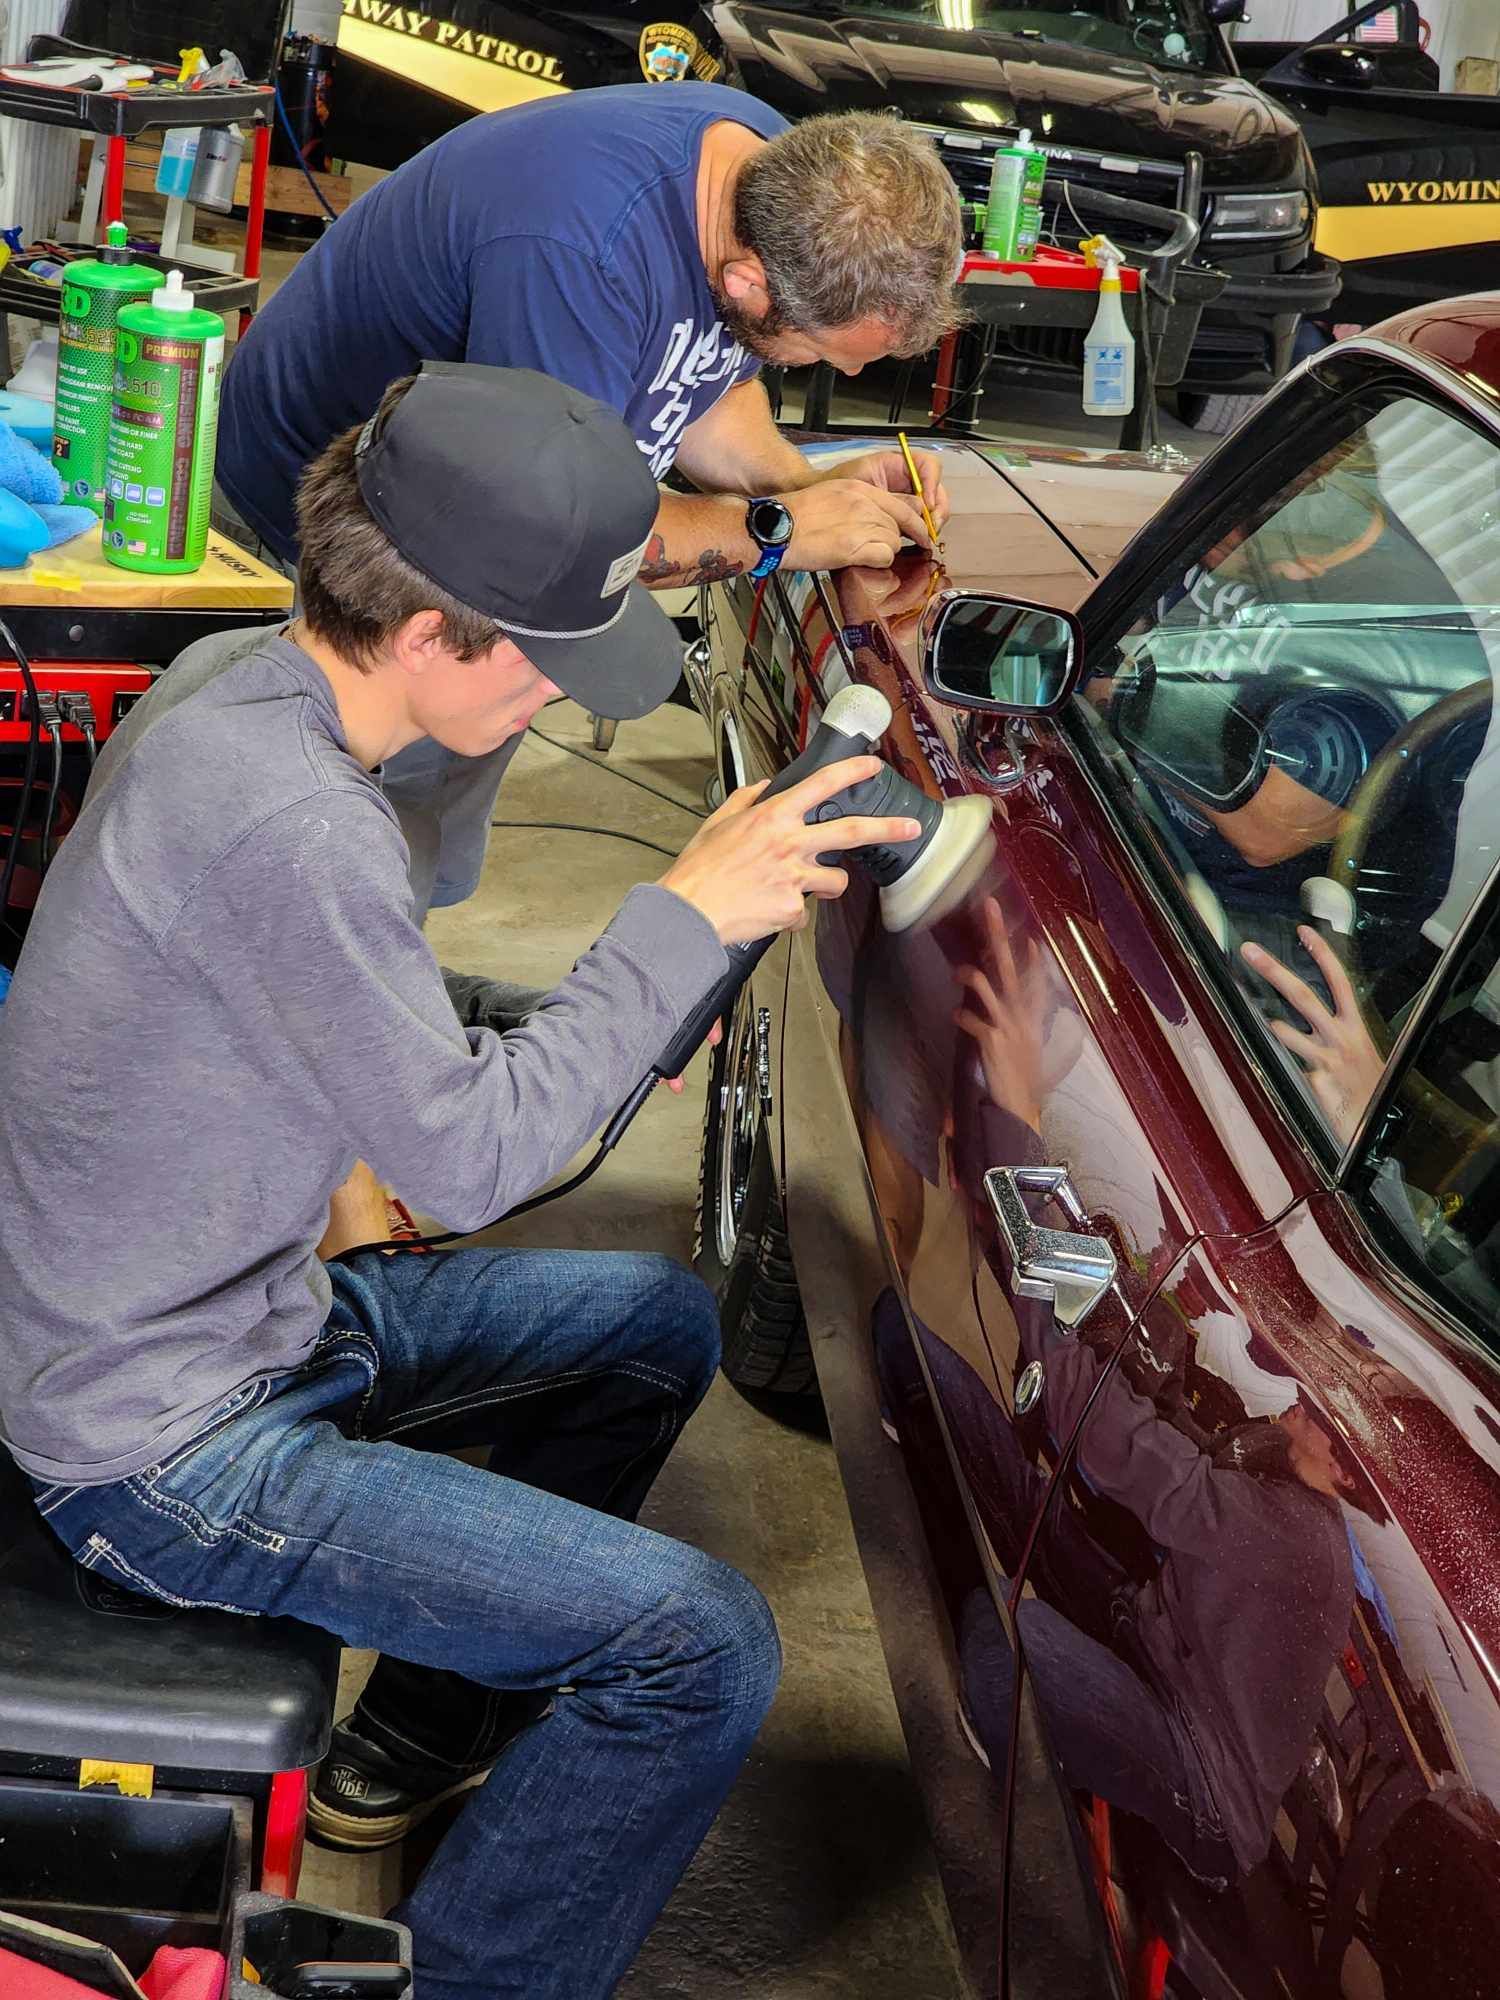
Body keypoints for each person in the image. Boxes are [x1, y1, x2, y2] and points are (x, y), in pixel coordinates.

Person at [0, 365, 925, 1998]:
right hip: (160, 1440)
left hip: (223, 1305)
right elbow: (475, 1157)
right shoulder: (293, 818)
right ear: (430, 635)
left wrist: (547, 1038)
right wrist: (680, 924)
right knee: (695, 1647)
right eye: (549, 666)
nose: (566, 705)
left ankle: (415, 1734)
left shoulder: (241, 678)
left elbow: (321, 1019)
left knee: (651, 1320)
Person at [215, 81, 965, 958]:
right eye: (820, 356)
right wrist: (782, 531)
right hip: (337, 537)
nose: (835, 376)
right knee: (328, 879)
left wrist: (806, 485)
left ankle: (393, 978)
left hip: (478, 537)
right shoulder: (578, 256)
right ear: (747, 280)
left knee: (416, 853)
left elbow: (706, 381)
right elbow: (557, 543)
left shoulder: (769, 172)